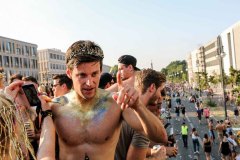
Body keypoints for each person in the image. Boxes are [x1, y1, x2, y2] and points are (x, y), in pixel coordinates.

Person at [37, 40, 166, 160]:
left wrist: (138, 106)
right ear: (69, 73)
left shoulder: (115, 103)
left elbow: (160, 137)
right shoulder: (55, 107)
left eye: (94, 74)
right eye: (82, 75)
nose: (89, 82)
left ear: (100, 71)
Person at [115, 69, 168, 160]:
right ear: (152, 87)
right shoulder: (142, 121)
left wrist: (151, 151)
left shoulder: (123, 107)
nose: (160, 96)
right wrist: (157, 157)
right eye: (160, 90)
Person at [2, 82, 36, 159]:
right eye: (16, 93)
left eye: (21, 93)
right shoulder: (7, 113)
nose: (18, 98)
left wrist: (36, 136)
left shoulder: (36, 111)